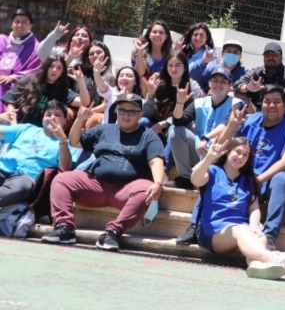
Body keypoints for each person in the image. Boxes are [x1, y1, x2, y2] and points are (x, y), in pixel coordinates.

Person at [43, 95, 165, 251]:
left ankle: (112, 233)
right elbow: (75, 141)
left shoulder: (149, 136)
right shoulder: (104, 129)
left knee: (145, 190)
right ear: (116, 111)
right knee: (62, 179)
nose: (126, 115)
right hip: (95, 185)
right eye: (122, 110)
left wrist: (158, 183)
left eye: (131, 112)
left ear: (140, 114)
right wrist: (80, 120)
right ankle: (64, 228)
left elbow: (156, 161)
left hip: (125, 190)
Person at [191, 137, 285, 279]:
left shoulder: (248, 180)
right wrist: (209, 157)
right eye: (238, 152)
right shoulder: (212, 171)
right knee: (240, 230)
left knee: (261, 238)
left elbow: (254, 208)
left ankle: (256, 267)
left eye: (245, 154)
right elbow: (195, 179)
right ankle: (272, 257)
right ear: (228, 152)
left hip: (241, 229)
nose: (240, 157)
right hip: (213, 231)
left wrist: (254, 225)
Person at [220, 84, 285, 249]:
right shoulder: (249, 120)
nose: (272, 105)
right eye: (267, 101)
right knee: (213, 172)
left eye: (277, 101)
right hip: (243, 176)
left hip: (268, 180)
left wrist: (258, 180)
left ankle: (269, 236)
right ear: (261, 104)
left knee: (284, 179)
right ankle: (196, 226)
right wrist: (232, 126)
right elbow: (223, 146)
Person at [169, 67, 245, 191]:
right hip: (200, 150)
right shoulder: (199, 102)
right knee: (176, 131)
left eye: (223, 81)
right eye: (215, 80)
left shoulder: (237, 103)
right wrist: (180, 103)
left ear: (230, 85)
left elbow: (228, 123)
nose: (218, 84)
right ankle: (185, 178)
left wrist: (206, 138)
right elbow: (178, 121)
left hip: (220, 152)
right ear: (209, 83)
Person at [0, 101, 81, 207]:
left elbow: (65, 168)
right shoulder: (26, 129)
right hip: (3, 167)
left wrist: (62, 140)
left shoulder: (69, 145)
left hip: (24, 178)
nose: (52, 118)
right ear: (43, 118)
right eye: (48, 114)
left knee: (21, 187)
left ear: (65, 120)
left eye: (57, 115)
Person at [145, 50, 201, 188]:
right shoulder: (159, 84)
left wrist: (165, 123)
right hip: (157, 125)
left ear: (185, 67)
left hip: (179, 129)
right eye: (170, 65)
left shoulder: (192, 86)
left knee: (174, 128)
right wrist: (150, 95)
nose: (174, 69)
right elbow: (146, 112)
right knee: (142, 122)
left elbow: (191, 114)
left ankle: (163, 171)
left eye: (178, 65)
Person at [0, 57, 79, 127]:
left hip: (36, 131)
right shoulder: (29, 80)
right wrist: (14, 125)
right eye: (51, 66)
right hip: (13, 124)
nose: (54, 70)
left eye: (59, 68)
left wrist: (81, 82)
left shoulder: (61, 90)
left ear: (62, 72)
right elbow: (11, 101)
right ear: (46, 67)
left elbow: (83, 102)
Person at [233, 42, 285, 119]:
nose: (270, 58)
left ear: (281, 57)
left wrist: (277, 100)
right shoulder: (257, 71)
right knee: (235, 94)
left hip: (277, 109)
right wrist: (248, 88)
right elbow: (237, 84)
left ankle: (284, 129)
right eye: (267, 55)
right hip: (256, 110)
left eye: (274, 55)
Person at [0, 8, 41, 106]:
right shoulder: (1, 40)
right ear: (11, 24)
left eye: (24, 22)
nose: (20, 25)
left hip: (14, 87)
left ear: (30, 25)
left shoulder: (36, 47)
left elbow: (35, 69)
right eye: (17, 22)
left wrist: (13, 77)